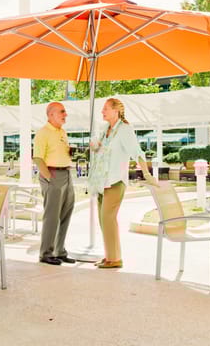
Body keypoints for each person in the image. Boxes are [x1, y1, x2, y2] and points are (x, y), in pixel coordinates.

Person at [88, 98, 158, 269]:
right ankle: (110, 256)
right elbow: (99, 150)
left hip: (115, 181)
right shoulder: (105, 129)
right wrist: (94, 145)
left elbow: (137, 152)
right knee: (104, 220)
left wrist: (147, 174)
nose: (102, 112)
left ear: (116, 111)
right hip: (101, 182)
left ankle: (115, 259)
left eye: (105, 109)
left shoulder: (125, 129)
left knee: (108, 218)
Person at [33, 102, 76, 266]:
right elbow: (38, 158)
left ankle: (60, 251)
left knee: (66, 213)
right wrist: (49, 178)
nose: (65, 115)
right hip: (53, 175)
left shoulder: (62, 132)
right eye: (62, 112)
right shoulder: (42, 133)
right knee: (52, 216)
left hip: (66, 173)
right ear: (51, 114)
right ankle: (45, 253)